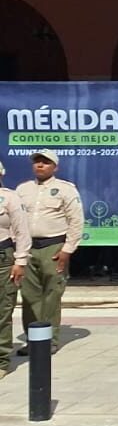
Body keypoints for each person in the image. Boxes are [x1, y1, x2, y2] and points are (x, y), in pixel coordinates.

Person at [15, 149, 82, 354]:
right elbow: (15, 221)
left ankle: (50, 340)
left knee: (52, 294)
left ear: (55, 167)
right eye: (37, 162)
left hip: (54, 247)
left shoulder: (65, 189)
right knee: (29, 295)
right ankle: (33, 340)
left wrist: (67, 250)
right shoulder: (22, 189)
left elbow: (76, 221)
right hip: (27, 247)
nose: (40, 165)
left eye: (45, 162)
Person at [0, 160, 30, 380]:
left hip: (3, 257)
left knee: (2, 309)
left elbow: (21, 232)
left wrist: (20, 261)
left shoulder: (10, 198)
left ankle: (1, 360)